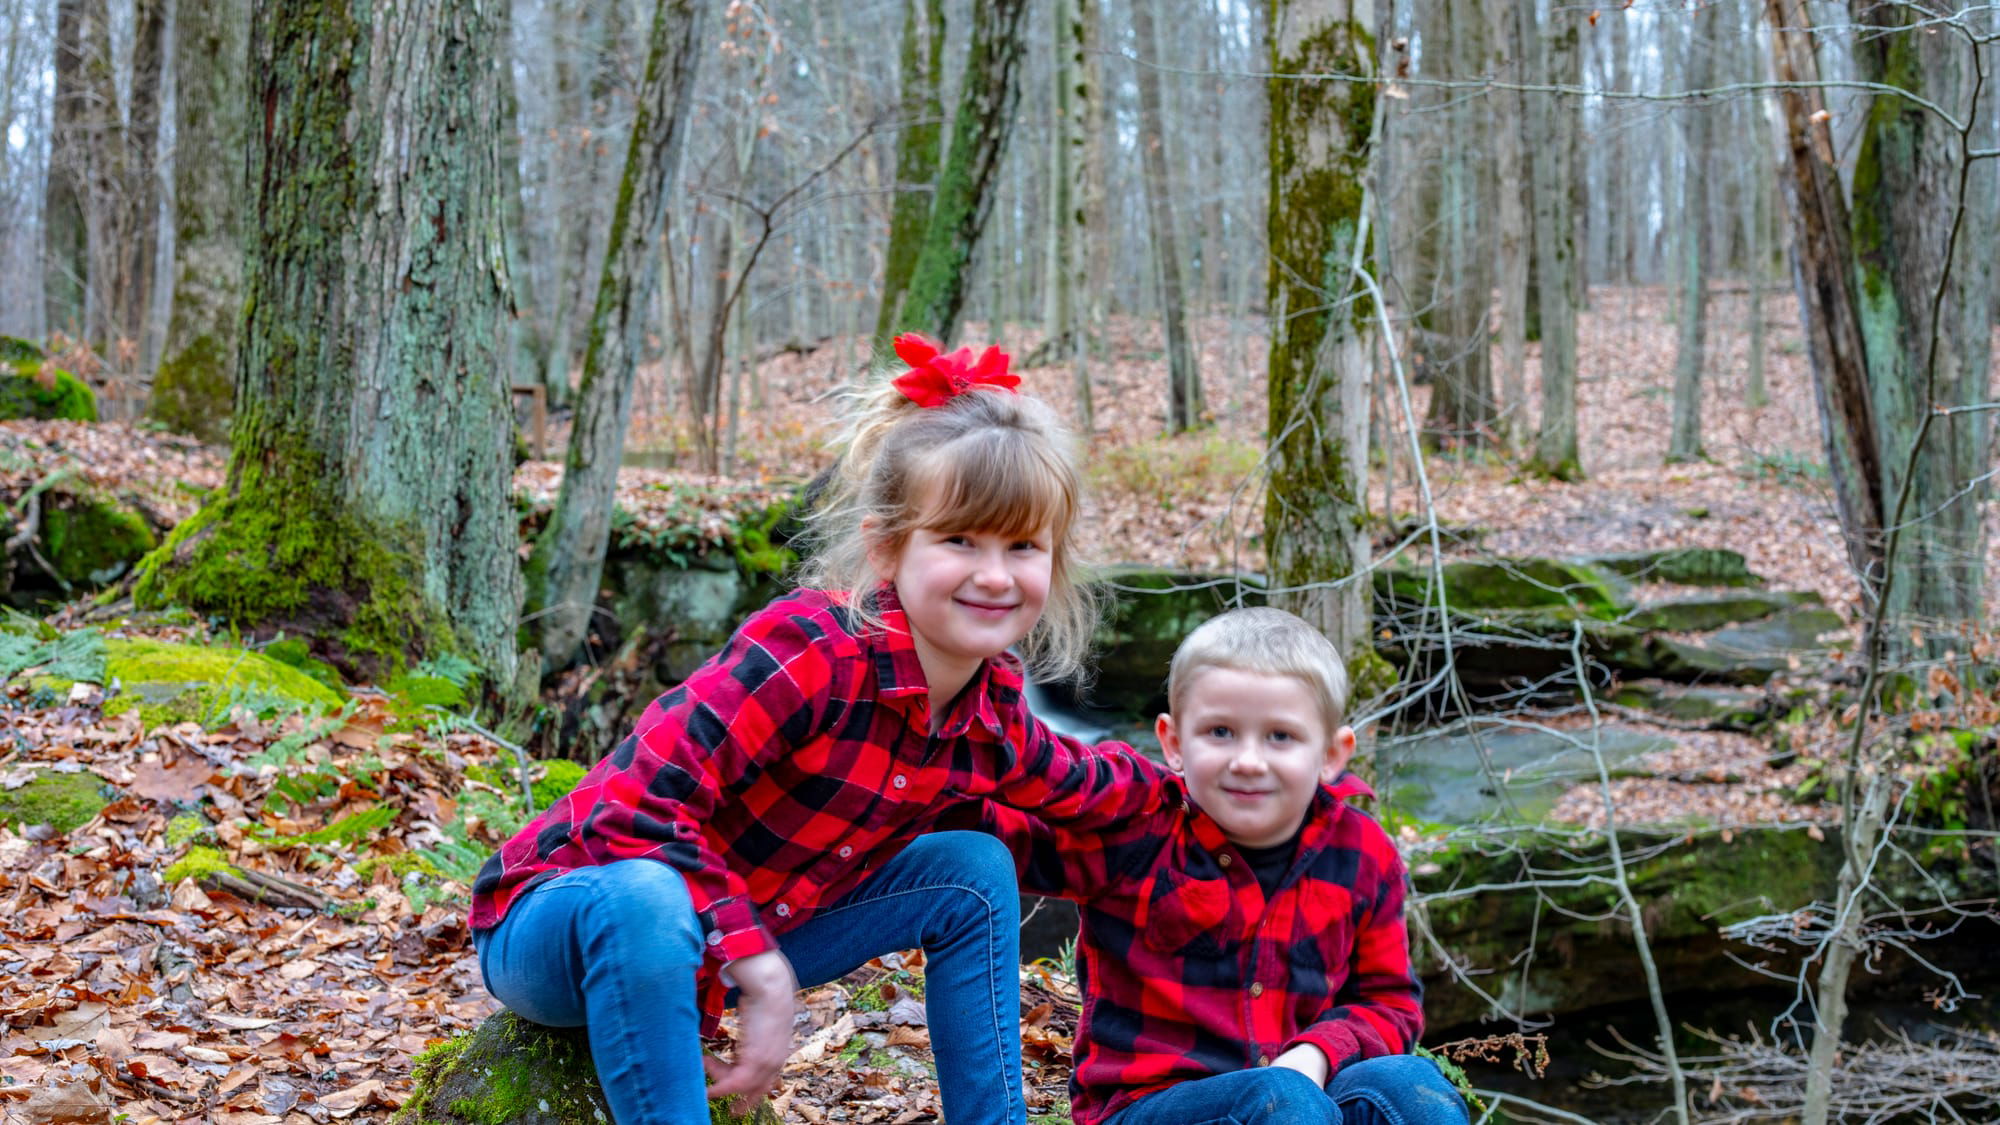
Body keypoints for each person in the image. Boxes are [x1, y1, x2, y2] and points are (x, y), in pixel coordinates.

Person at [468, 333, 1165, 1125]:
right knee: (649, 897)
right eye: (960, 540)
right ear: (886, 547)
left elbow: (1100, 790)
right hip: (565, 921)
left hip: (741, 933)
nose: (996, 574)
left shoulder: (992, 714)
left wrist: (1235, 785)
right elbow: (630, 809)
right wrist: (755, 962)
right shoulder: (812, 650)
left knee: (972, 867)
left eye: (1023, 546)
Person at [972, 607, 1468, 1125]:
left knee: (1409, 1088)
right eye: (1221, 732)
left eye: (1280, 736)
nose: (1248, 761)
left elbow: (1390, 1004)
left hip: (1301, 1092)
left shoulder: (1363, 853)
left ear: (1330, 754)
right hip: (1150, 1107)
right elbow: (1000, 837)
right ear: (1173, 743)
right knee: (1280, 1099)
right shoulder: (1137, 830)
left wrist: (1317, 1053)